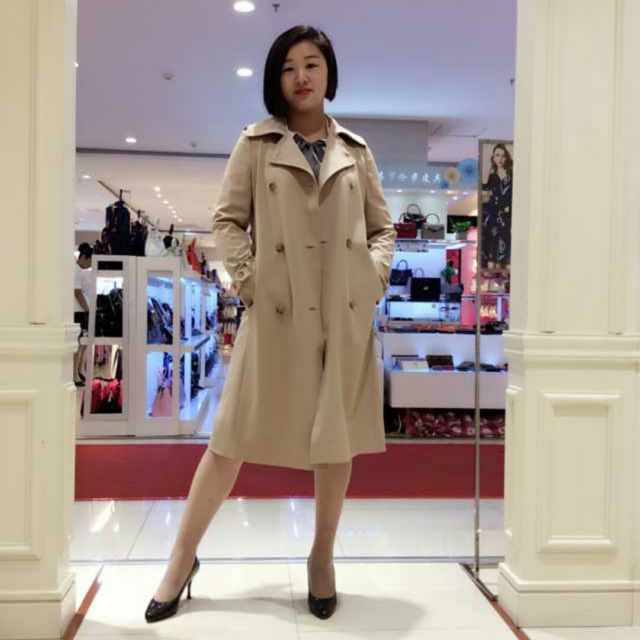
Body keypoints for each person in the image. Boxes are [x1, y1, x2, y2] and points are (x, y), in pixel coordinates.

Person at [145, 25, 396, 624]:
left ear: (329, 72)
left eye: (311, 64)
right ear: (275, 79)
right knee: (229, 440)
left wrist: (372, 277)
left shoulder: (355, 151)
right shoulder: (256, 144)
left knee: (334, 443)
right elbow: (227, 221)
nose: (301, 76)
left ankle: (321, 558)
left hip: (341, 315)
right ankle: (181, 558)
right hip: (278, 314)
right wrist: (253, 282)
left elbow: (382, 227)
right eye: (288, 67)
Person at [481, 143, 513, 274]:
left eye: (503, 156)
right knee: (492, 248)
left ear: (507, 158)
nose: (500, 159)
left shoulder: (512, 176)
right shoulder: (491, 176)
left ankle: (505, 278)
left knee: (505, 248)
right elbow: (484, 193)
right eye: (497, 155)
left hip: (506, 218)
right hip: (492, 217)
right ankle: (491, 276)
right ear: (493, 158)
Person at [73, 243, 93, 386]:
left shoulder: (80, 271)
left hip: (83, 311)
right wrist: (87, 309)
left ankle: (80, 370)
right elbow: (77, 292)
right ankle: (75, 374)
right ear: (84, 257)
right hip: (79, 312)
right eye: (90, 260)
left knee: (83, 344)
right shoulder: (76, 270)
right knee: (79, 345)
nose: (90, 264)